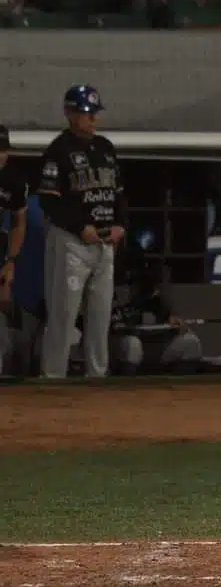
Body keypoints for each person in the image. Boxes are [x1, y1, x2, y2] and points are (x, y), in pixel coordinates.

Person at [37, 85, 126, 379]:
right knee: (63, 316)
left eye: (95, 113)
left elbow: (119, 194)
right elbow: (48, 199)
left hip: (104, 243)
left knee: (100, 318)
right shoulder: (58, 150)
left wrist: (121, 224)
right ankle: (53, 378)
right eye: (86, 113)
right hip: (71, 243)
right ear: (70, 113)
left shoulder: (105, 148)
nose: (93, 119)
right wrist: (79, 227)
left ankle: (97, 377)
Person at [110, 250, 202, 375]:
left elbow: (173, 321)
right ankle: (127, 388)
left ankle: (181, 391)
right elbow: (114, 326)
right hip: (128, 348)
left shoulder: (158, 302)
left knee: (191, 342)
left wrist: (177, 324)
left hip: (158, 348)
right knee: (132, 344)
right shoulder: (115, 293)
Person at [0, 125, 27, 373]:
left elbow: (19, 223)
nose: (0, 155)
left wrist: (11, 261)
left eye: (3, 150)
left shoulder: (12, 180)